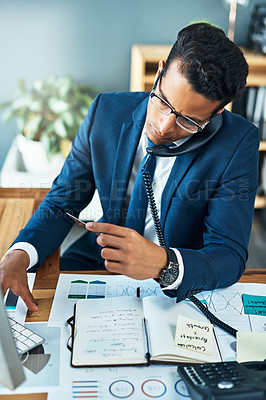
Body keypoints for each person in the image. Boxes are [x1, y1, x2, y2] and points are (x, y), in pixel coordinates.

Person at [0, 23, 259, 312]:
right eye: (163, 102)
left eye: (188, 121)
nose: (163, 127)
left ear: (217, 113)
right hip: (97, 260)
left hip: (179, 284)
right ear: (160, 72)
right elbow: (63, 200)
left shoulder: (238, 142)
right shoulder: (105, 112)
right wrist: (18, 254)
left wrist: (163, 263)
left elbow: (228, 254)